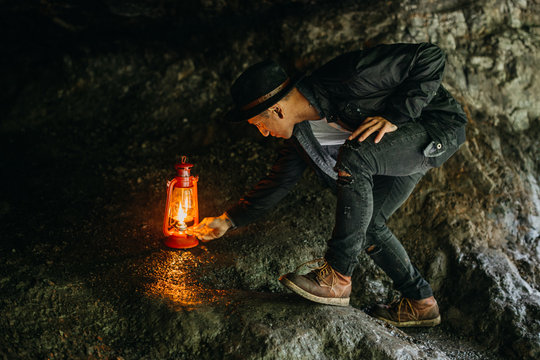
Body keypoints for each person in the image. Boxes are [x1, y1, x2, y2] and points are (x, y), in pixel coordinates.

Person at [187, 42, 467, 327]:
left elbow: (430, 56)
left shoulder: (350, 75)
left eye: (259, 124)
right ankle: (421, 302)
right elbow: (278, 182)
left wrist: (395, 115)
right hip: (391, 150)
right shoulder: (301, 136)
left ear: (277, 110)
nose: (263, 133)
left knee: (355, 155)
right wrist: (228, 219)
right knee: (368, 223)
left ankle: (337, 276)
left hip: (434, 126)